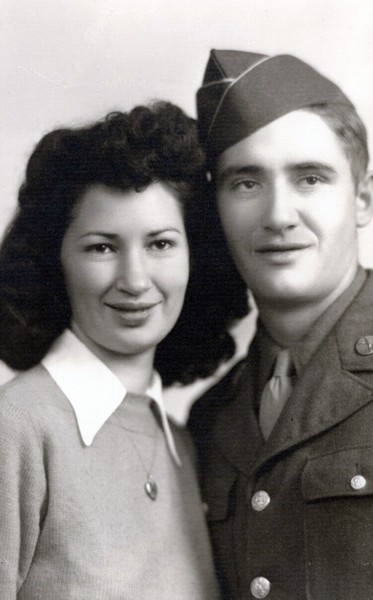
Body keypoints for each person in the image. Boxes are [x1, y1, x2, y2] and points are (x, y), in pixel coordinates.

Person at [188, 49, 373, 599]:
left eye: (310, 178)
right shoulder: (210, 418)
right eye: (246, 183)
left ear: (363, 197)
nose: (278, 215)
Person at [0, 101, 238, 599]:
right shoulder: (16, 428)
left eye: (161, 244)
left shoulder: (183, 445)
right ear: (55, 260)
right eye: (102, 247)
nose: (135, 280)